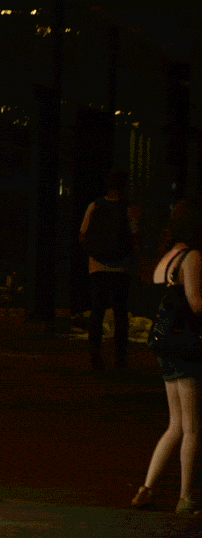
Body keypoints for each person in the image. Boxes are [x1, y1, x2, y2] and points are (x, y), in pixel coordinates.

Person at [131, 197, 202, 516]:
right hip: (186, 347)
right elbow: (196, 303)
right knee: (192, 428)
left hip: (165, 346)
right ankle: (186, 498)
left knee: (175, 425)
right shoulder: (192, 257)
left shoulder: (168, 257)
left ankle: (146, 489)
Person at [79, 170, 140, 370]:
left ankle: (95, 354)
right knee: (120, 312)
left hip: (97, 265)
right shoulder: (128, 208)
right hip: (122, 266)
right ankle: (120, 357)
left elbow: (83, 234)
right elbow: (135, 237)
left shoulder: (95, 205)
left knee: (98, 310)